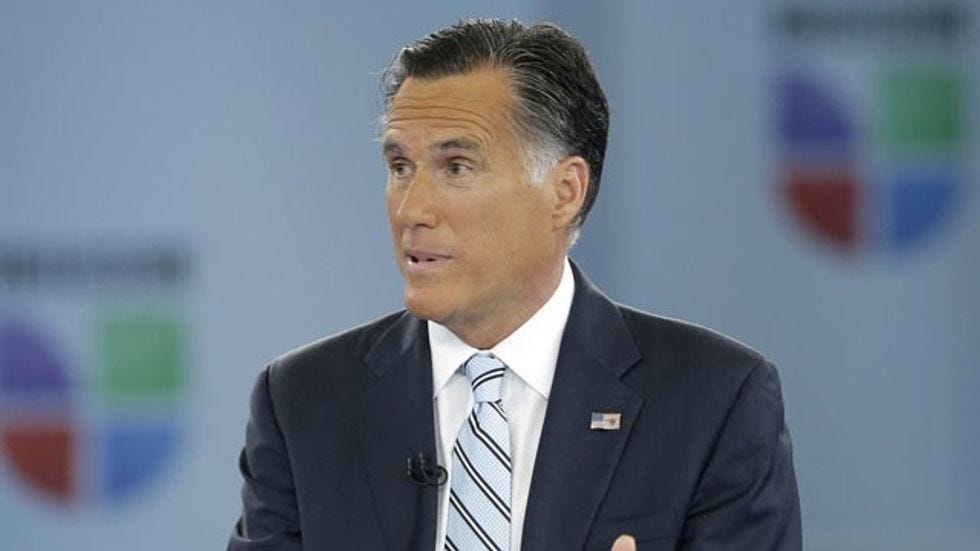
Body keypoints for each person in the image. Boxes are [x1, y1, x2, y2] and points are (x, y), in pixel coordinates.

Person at [228, 18, 801, 551]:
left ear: (564, 192)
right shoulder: (303, 402)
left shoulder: (713, 401)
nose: (411, 209)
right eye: (400, 167)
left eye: (456, 167)